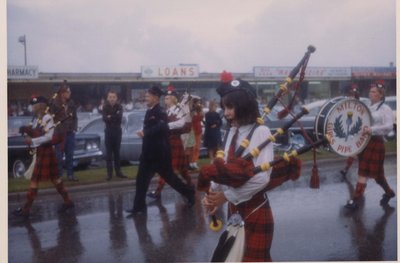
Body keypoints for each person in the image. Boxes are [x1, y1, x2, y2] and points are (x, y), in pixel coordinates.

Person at [201, 77, 275, 261]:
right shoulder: (232, 131)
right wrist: (212, 194)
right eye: (224, 108)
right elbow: (223, 168)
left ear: (244, 106)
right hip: (234, 211)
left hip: (255, 209)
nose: (225, 113)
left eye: (230, 107)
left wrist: (225, 197)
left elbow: (262, 177)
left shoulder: (261, 132)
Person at [125, 86, 195, 215]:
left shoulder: (161, 111)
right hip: (148, 154)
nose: (146, 98)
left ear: (156, 98)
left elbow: (161, 126)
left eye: (148, 96)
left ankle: (190, 193)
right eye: (146, 96)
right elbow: (150, 127)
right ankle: (138, 207)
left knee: (171, 179)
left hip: (160, 154)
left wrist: (145, 132)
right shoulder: (150, 110)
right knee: (141, 181)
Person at [13, 95, 74, 217]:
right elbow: (35, 132)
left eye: (34, 105)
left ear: (39, 106)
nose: (32, 107)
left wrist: (33, 141)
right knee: (55, 180)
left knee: (35, 180)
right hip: (41, 151)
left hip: (46, 152)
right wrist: (25, 130)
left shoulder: (47, 118)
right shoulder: (37, 118)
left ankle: (26, 209)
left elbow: (49, 137)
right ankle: (68, 202)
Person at [345, 81, 395, 210]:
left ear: (380, 95)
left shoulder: (386, 109)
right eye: (370, 91)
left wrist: (372, 130)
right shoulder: (368, 106)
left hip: (376, 142)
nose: (370, 93)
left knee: (368, 173)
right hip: (365, 142)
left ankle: (356, 199)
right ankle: (389, 193)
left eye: (373, 92)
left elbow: (389, 126)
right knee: (371, 174)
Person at [147, 87, 193, 199]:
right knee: (180, 169)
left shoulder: (179, 109)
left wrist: (167, 126)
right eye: (165, 98)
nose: (165, 100)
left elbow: (182, 123)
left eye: (167, 98)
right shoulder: (166, 111)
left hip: (175, 140)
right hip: (167, 140)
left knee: (171, 169)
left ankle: (158, 192)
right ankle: (190, 186)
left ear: (173, 99)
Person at [49, 80, 79, 181]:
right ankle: (59, 176)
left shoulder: (71, 103)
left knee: (70, 154)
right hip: (59, 133)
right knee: (59, 156)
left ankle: (70, 175)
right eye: (68, 92)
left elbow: (75, 117)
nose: (70, 94)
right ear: (63, 93)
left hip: (70, 133)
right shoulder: (54, 103)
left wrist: (74, 128)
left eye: (70, 92)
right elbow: (51, 117)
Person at [102, 90, 128, 181]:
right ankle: (109, 174)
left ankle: (118, 172)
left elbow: (119, 118)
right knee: (109, 154)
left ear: (116, 98)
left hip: (117, 131)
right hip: (108, 132)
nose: (112, 99)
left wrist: (110, 117)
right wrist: (112, 116)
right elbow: (104, 119)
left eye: (114, 97)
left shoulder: (119, 106)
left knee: (117, 153)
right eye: (110, 97)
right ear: (107, 98)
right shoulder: (105, 107)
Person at [340, 84, 360, 178]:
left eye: (353, 94)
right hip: (350, 130)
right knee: (354, 152)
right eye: (350, 94)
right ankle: (346, 169)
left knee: (355, 152)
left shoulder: (359, 105)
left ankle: (347, 169)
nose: (351, 96)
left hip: (358, 131)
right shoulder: (346, 104)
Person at [189, 97, 203, 170]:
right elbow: (191, 118)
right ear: (194, 103)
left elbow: (201, 118)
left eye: (199, 102)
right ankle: (190, 162)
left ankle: (195, 162)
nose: (198, 104)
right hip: (192, 130)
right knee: (192, 148)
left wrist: (201, 109)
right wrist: (191, 107)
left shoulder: (199, 110)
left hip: (199, 130)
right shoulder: (192, 110)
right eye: (197, 102)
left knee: (197, 147)